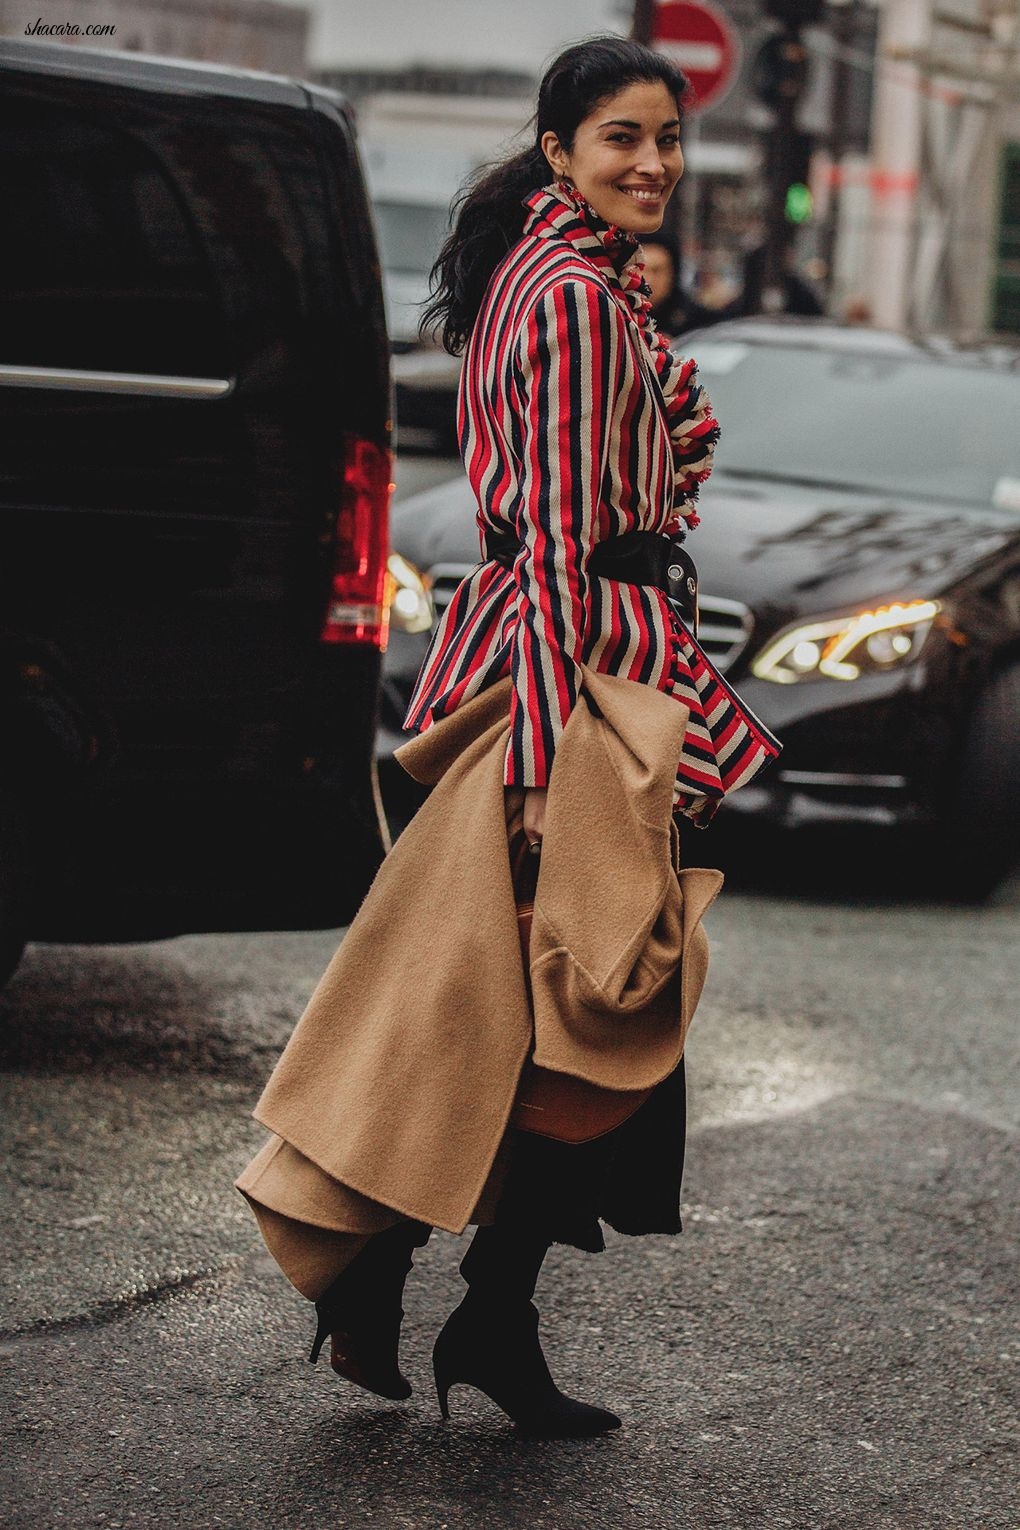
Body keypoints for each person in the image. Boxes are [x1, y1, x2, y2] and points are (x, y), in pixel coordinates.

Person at [237, 35, 781, 1439]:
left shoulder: (573, 282)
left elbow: (635, 476)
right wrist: (540, 770)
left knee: (509, 1017)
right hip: (574, 685)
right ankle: (447, 1301)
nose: (655, 160)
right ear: (560, 153)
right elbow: (547, 546)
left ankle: (438, 1301)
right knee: (583, 1023)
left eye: (667, 136)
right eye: (621, 138)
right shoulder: (570, 299)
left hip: (579, 671)